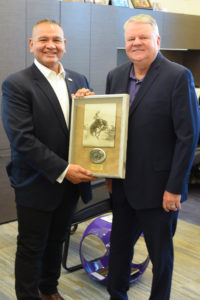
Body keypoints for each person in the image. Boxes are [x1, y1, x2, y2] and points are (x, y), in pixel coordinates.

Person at [105, 14, 200, 300]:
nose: (136, 43)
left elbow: (188, 137)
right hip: (122, 187)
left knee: (161, 257)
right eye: (131, 38)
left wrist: (174, 188)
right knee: (119, 249)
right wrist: (109, 173)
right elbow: (113, 129)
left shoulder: (177, 75)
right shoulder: (116, 75)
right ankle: (116, 295)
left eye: (143, 37)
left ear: (157, 40)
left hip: (160, 191)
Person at [1, 19, 96, 300]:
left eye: (56, 39)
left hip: (70, 183)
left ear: (65, 45)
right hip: (35, 182)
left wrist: (87, 107)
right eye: (43, 39)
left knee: (58, 239)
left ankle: (49, 288)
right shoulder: (16, 84)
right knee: (31, 246)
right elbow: (22, 139)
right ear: (32, 45)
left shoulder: (78, 80)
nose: (50, 45)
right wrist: (64, 169)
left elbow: (83, 131)